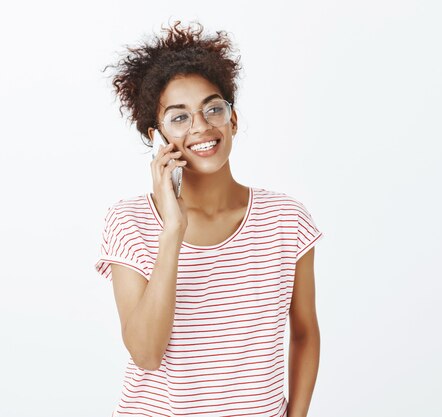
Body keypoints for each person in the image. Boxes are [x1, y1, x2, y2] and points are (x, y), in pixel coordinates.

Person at [94, 20, 324, 417]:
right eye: (179, 117)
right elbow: (147, 353)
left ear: (232, 119)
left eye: (213, 108)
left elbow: (304, 332)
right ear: (157, 137)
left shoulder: (286, 219)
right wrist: (172, 231)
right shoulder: (129, 222)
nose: (201, 126)